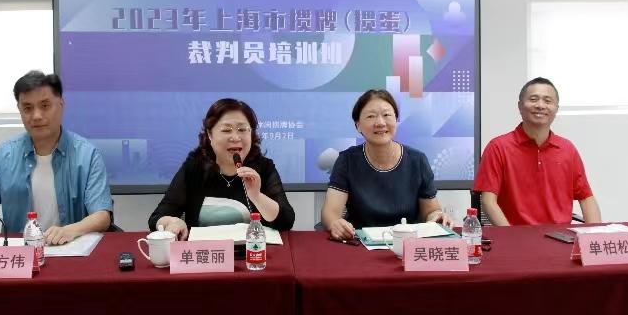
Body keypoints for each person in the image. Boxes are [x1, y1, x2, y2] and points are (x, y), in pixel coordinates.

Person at [0, 71, 113, 249]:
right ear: (20, 110)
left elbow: (102, 216)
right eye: (28, 108)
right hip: (21, 257)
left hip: (70, 251)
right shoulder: (4, 156)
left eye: (45, 106)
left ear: (61, 104)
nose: (36, 115)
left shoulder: (87, 155)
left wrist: (70, 230)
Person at [148, 98, 295, 240]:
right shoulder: (194, 168)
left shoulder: (263, 167)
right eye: (226, 130)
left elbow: (286, 221)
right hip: (207, 253)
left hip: (252, 253)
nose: (235, 137)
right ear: (210, 135)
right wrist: (172, 222)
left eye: (242, 129)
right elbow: (157, 217)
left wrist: (257, 196)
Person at [321, 89, 450, 240]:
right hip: (360, 243)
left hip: (407, 243)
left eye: (387, 115)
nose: (380, 123)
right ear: (358, 125)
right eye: (371, 116)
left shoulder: (417, 160)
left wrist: (437, 216)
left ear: (396, 120)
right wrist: (335, 224)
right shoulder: (347, 160)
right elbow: (330, 213)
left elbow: (430, 212)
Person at [473, 77, 601, 226]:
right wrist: (512, 235)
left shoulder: (567, 149)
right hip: (516, 236)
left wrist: (595, 233)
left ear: (556, 109)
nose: (540, 105)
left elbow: (586, 198)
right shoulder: (498, 147)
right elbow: (488, 201)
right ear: (520, 106)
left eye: (547, 101)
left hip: (562, 237)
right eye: (533, 99)